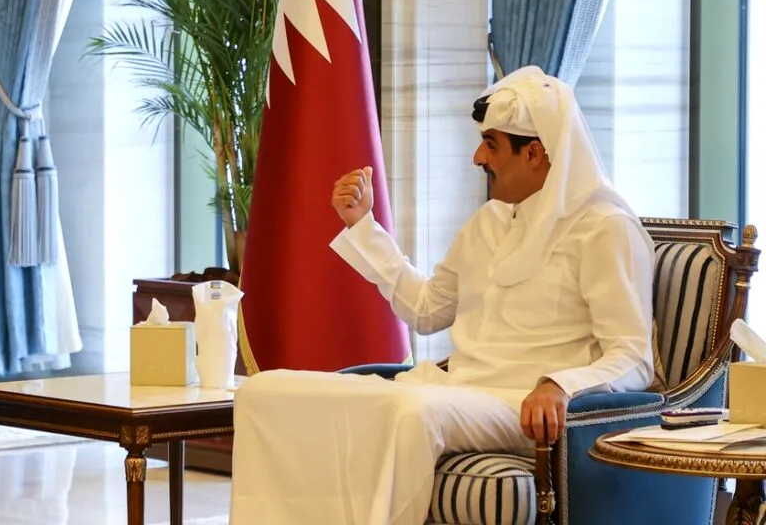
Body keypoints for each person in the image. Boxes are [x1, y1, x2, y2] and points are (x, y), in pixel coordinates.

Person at [228, 66, 655, 525]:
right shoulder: (489, 221)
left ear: (534, 152)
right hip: (450, 392)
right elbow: (427, 310)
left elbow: (634, 359)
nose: (477, 157)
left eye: (490, 144)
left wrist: (560, 384)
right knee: (265, 392)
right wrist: (362, 226)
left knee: (411, 412)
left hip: (518, 404)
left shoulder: (605, 228)